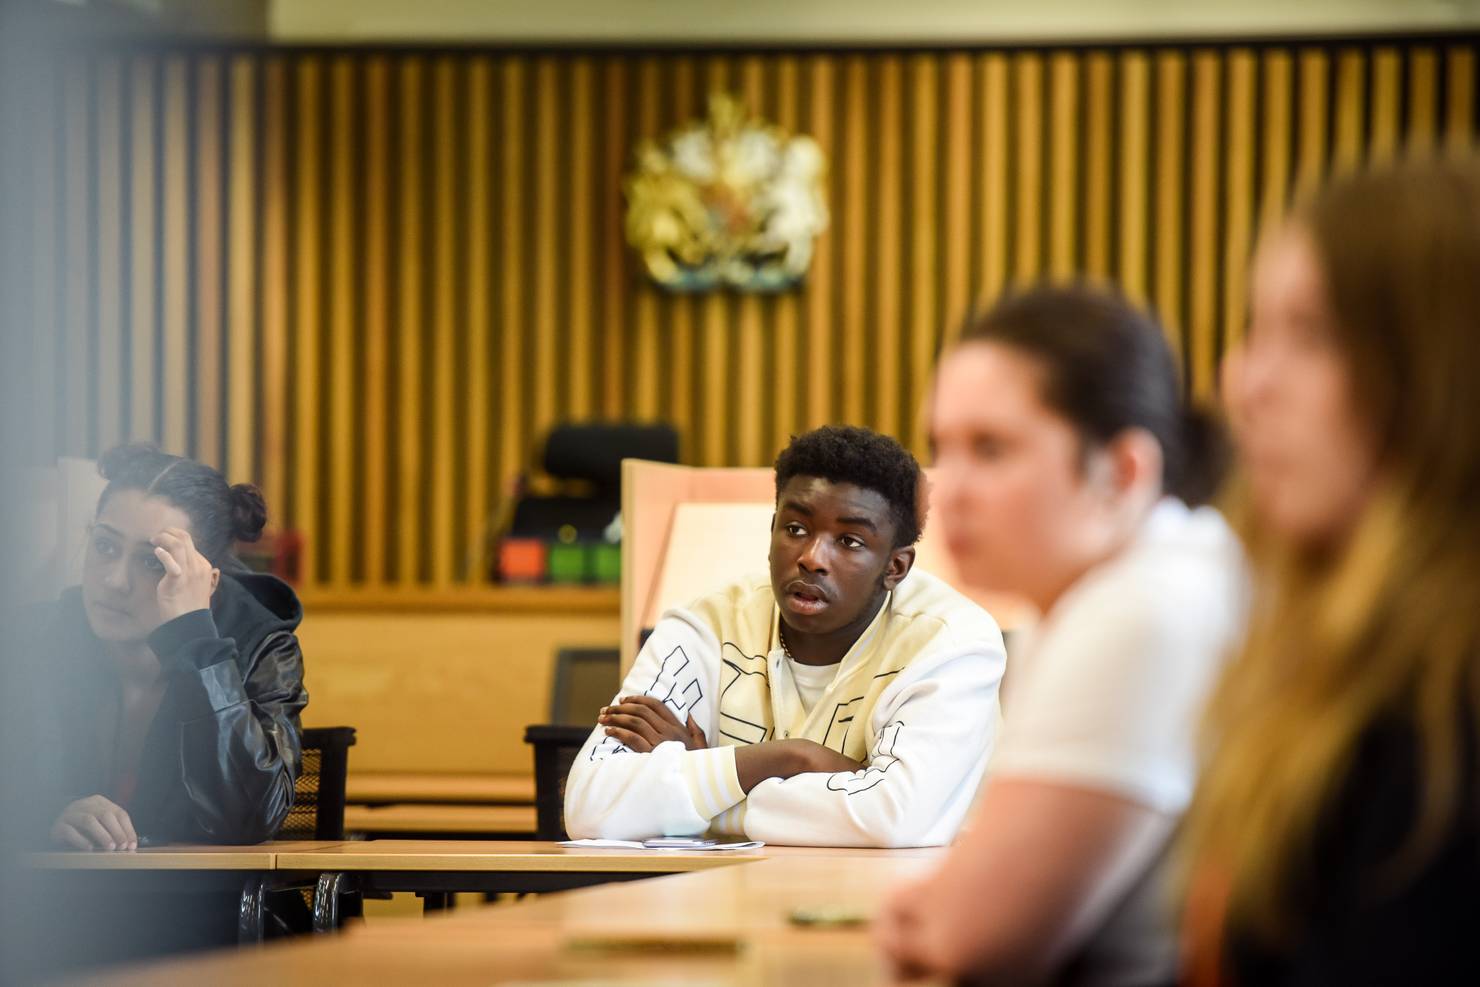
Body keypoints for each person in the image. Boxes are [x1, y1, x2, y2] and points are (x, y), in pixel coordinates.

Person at [876, 285, 1244, 985]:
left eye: (991, 447)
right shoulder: (1120, 584)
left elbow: (971, 937)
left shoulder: (1141, 607)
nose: (944, 490)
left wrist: (941, 910)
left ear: (1123, 471)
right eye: (941, 447)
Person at [1180, 160, 1480, 986]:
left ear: (1438, 373)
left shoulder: (1448, 709)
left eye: (1311, 335)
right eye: (1254, 330)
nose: (1244, 382)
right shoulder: (1327, 658)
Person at [563, 425, 1006, 847]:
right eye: (795, 529)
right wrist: (792, 758)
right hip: (736, 899)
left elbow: (894, 819)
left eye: (849, 541)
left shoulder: (951, 643)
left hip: (911, 905)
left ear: (896, 567)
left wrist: (700, 785)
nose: (812, 558)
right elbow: (589, 807)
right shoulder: (706, 625)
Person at [23, 444, 307, 849]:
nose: (115, 580)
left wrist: (196, 639)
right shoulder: (35, 637)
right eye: (105, 546)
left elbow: (249, 819)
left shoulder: (262, 647)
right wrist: (45, 813)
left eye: (153, 561)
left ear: (206, 582)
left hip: (208, 907)